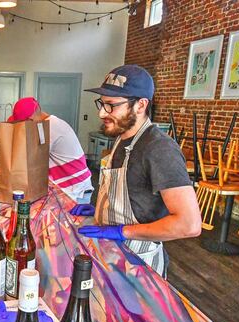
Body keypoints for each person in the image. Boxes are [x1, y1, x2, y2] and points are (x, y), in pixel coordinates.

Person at [76, 64, 201, 277]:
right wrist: (99, 211)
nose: (101, 112)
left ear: (141, 105)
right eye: (102, 103)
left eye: (111, 105)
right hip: (112, 256)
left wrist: (121, 231)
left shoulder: (159, 149)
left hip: (139, 265)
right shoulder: (121, 138)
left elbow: (188, 224)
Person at [8, 97, 94, 203]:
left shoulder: (49, 127)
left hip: (75, 192)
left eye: (21, 124)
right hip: (71, 188)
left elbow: (27, 160)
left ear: (30, 120)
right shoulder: (48, 124)